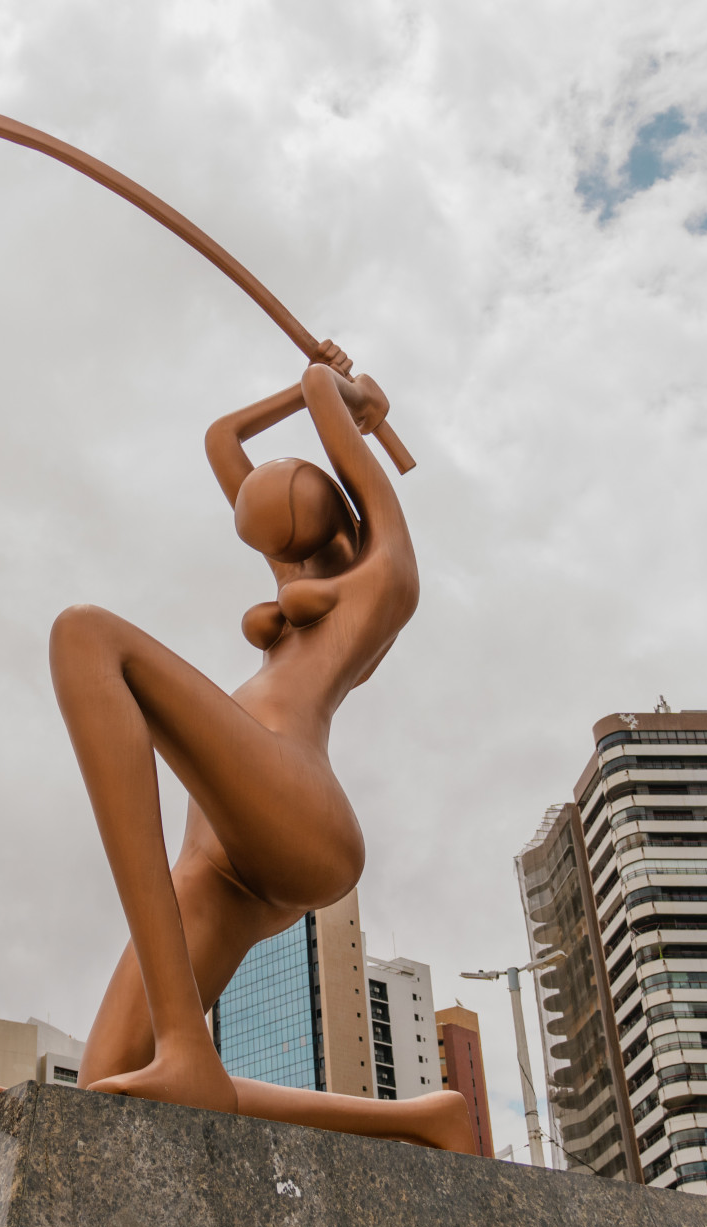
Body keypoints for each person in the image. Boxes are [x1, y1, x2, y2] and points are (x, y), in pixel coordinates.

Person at [49, 343, 476, 1151]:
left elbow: (319, 389)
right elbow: (222, 439)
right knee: (106, 1083)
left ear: (338, 499)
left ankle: (186, 1043)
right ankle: (421, 1120)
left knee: (87, 636)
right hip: (218, 865)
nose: (279, 553)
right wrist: (308, 391)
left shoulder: (385, 578)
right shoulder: (292, 576)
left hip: (296, 815)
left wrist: (348, 397)